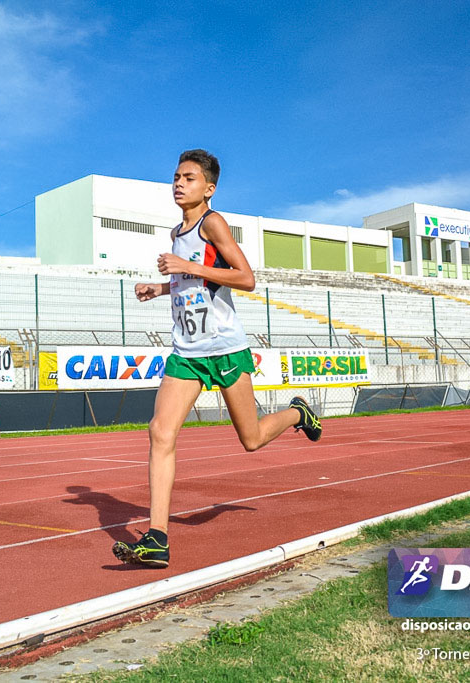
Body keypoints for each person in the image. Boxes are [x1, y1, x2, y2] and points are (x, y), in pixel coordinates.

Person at [112, 149, 322, 569]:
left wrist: (184, 265)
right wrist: (161, 287)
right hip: (187, 352)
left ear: (208, 189)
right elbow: (193, 281)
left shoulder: (213, 223)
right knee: (160, 431)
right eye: (175, 176)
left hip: (225, 349)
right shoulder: (177, 232)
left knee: (252, 439)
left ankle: (298, 414)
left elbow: (245, 278)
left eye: (188, 178)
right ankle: (156, 538)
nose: (178, 183)